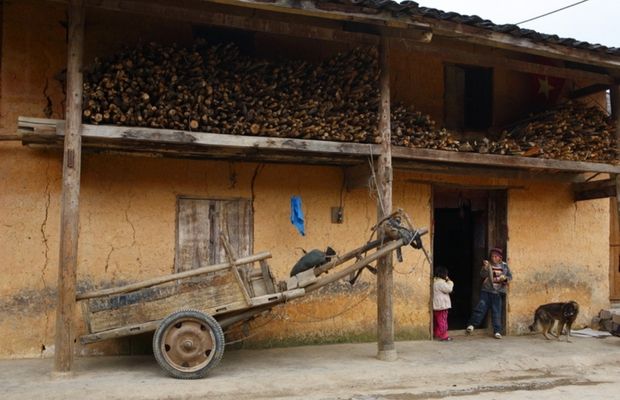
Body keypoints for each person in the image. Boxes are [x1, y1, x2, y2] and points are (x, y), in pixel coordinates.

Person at [466, 247, 512, 339]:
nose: (493, 258)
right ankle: (472, 325)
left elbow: (510, 277)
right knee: (481, 308)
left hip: (497, 292)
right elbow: (482, 275)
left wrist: (505, 279)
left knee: (496, 312)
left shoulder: (504, 266)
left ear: (500, 257)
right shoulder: (488, 264)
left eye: (496, 256)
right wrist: (485, 268)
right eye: (492, 256)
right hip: (486, 291)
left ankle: (497, 331)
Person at [433, 265, 454, 341]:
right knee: (443, 321)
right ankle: (444, 336)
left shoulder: (434, 282)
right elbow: (449, 289)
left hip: (436, 306)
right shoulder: (440, 283)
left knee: (437, 321)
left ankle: (437, 334)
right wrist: (450, 281)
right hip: (442, 306)